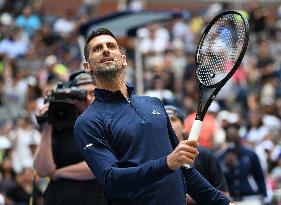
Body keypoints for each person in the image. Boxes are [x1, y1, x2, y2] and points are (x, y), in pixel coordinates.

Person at [74, 27, 236, 205]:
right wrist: (167, 163)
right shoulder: (87, 122)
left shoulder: (153, 104)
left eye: (111, 46)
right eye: (97, 49)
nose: (105, 50)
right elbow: (111, 180)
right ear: (87, 66)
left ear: (123, 60)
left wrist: (224, 203)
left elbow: (184, 170)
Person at [33, 71, 107, 205]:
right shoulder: (61, 124)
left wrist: (59, 173)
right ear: (72, 98)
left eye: (93, 93)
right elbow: (43, 170)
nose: (88, 99)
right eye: (81, 95)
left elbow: (100, 165)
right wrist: (47, 126)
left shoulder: (108, 123)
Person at [164, 105, 229, 205]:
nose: (168, 123)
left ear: (183, 127)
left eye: (173, 119)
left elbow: (224, 193)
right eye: (164, 120)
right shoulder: (152, 158)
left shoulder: (205, 155)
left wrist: (193, 196)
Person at [217, 122, 268, 205]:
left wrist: (264, 195)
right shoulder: (220, 157)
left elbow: (260, 176)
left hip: (250, 197)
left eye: (234, 134)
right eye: (230, 136)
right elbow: (218, 179)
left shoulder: (250, 154)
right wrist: (226, 165)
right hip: (230, 199)